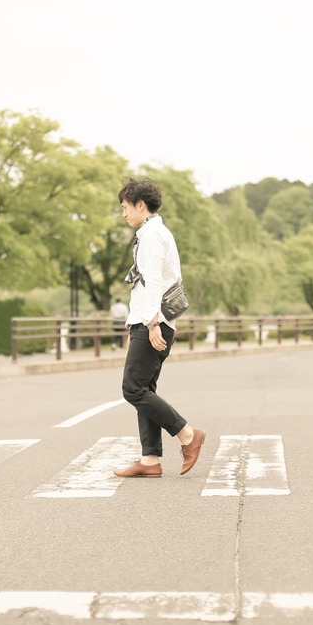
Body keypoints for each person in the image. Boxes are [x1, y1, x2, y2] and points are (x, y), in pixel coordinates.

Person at [112, 177, 206, 478]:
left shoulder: (152, 235)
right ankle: (150, 459)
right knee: (144, 388)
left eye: (125, 207)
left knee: (133, 389)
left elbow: (153, 282)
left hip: (154, 322)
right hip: (150, 321)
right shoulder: (152, 232)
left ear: (140, 205)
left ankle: (188, 434)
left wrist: (151, 323)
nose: (124, 213)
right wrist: (135, 325)